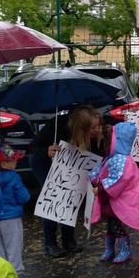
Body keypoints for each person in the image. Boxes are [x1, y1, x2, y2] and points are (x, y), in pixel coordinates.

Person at [31, 105, 110, 258]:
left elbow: (98, 155)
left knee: (72, 198)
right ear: (82, 127)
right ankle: (50, 243)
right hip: (45, 163)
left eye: (99, 125)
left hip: (73, 165)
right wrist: (47, 151)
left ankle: (68, 240)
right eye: (93, 127)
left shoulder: (96, 136)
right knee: (55, 200)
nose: (97, 130)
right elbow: (34, 147)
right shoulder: (57, 126)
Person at [90, 121, 139, 264]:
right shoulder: (114, 157)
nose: (103, 145)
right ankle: (110, 249)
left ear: (115, 141)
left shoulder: (121, 159)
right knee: (111, 225)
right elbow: (103, 171)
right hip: (112, 200)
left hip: (118, 200)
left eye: (106, 142)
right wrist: (94, 176)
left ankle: (124, 250)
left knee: (115, 225)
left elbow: (118, 179)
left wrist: (100, 188)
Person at [0, 145, 30, 276]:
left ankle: (2, 276)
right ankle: (15, 275)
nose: (16, 161)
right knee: (14, 248)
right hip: (11, 219)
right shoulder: (13, 177)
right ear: (4, 164)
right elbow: (24, 196)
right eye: (12, 160)